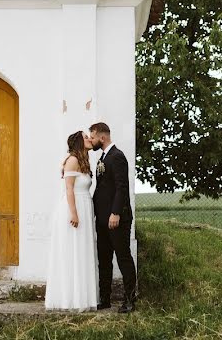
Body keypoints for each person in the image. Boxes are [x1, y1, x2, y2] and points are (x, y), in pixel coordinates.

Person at [44, 130, 99, 311]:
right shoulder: (72, 160)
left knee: (82, 252)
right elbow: (69, 189)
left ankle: (82, 298)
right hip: (73, 208)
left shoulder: (83, 160)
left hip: (84, 205)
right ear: (78, 142)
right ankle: (69, 299)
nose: (90, 139)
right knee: (72, 252)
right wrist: (74, 213)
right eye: (86, 137)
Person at [89, 122, 137, 313]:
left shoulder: (117, 156)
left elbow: (122, 187)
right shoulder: (103, 157)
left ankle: (130, 300)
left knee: (123, 257)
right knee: (104, 258)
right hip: (102, 220)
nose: (91, 141)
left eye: (92, 137)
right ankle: (105, 299)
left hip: (116, 218)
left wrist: (115, 213)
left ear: (102, 137)